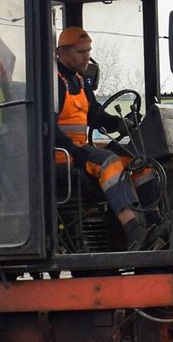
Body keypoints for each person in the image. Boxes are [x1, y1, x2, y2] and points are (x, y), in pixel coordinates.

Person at [53, 26, 162, 249]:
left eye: (88, 51)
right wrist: (76, 153)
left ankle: (155, 224)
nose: (87, 57)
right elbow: (48, 130)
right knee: (109, 163)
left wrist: (118, 123)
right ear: (62, 52)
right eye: (81, 52)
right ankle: (133, 231)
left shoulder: (80, 80)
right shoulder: (54, 83)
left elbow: (94, 113)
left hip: (80, 151)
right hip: (62, 157)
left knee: (139, 163)